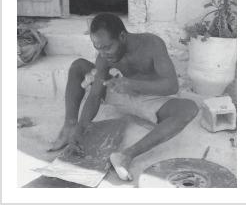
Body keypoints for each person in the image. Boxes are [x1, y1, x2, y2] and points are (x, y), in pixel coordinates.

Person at [48, 13, 199, 181]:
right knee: (78, 66)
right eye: (97, 48)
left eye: (107, 47)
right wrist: (80, 128)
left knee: (189, 109)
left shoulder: (152, 44)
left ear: (122, 36)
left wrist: (132, 84)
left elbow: (172, 85)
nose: (103, 53)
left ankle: (126, 156)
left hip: (151, 98)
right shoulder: (104, 56)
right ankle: (69, 126)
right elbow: (95, 94)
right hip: (121, 92)